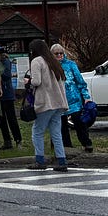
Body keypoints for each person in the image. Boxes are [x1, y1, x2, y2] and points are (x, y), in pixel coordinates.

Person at [26, 37, 69, 171]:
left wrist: (28, 81)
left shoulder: (37, 61)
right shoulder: (54, 61)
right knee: (56, 133)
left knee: (37, 131)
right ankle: (61, 161)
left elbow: (36, 81)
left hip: (46, 102)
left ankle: (40, 160)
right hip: (59, 102)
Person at [53, 43, 94, 154]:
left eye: (61, 53)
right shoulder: (50, 66)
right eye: (56, 54)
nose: (59, 55)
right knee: (61, 126)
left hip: (74, 100)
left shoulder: (71, 65)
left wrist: (86, 97)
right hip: (59, 100)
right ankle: (67, 147)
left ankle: (87, 143)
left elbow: (80, 81)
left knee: (79, 122)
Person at [0, 43, 22, 148]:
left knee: (11, 118)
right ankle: (7, 141)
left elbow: (7, 75)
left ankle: (18, 139)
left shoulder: (5, 61)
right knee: (1, 119)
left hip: (7, 93)